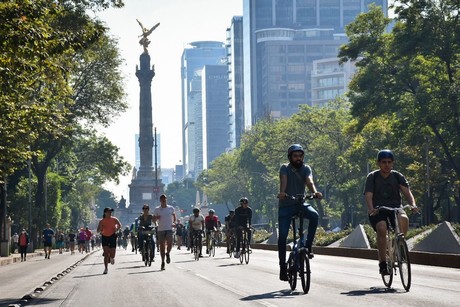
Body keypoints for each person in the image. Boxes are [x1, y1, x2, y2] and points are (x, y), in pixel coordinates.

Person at [364, 149, 419, 275]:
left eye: (389, 162)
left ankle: (399, 246)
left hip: (395, 208)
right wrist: (371, 208)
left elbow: (407, 193)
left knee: (404, 219)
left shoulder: (397, 176)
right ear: (378, 163)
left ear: (392, 163)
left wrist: (413, 204)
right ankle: (383, 263)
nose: (387, 165)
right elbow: (368, 195)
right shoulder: (372, 177)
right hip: (378, 210)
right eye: (384, 162)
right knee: (382, 228)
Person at [277, 144, 322, 281]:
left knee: (314, 215)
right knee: (283, 235)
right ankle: (283, 267)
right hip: (286, 206)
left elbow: (309, 181)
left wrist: (315, 193)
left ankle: (308, 247)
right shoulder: (285, 168)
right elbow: (283, 181)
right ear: (290, 157)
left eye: (300, 156)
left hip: (301, 204)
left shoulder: (306, 168)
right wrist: (283, 193)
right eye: (295, 156)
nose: (298, 158)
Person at [153, 194, 176, 270]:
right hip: (161, 230)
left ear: (166, 200)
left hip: (169, 228)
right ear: (160, 201)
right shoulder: (157, 209)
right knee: (162, 247)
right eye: (162, 200)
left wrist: (174, 222)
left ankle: (168, 253)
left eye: (165, 199)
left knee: (170, 243)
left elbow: (174, 216)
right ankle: (163, 262)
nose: (164, 201)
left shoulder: (170, 208)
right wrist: (156, 218)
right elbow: (153, 220)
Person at [97, 207, 122, 274]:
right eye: (108, 212)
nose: (110, 213)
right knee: (105, 253)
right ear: (105, 213)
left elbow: (119, 225)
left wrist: (116, 229)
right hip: (105, 236)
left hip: (112, 236)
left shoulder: (114, 219)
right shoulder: (102, 221)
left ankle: (111, 257)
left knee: (112, 253)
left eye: (111, 212)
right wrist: (101, 229)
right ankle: (106, 268)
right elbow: (98, 230)